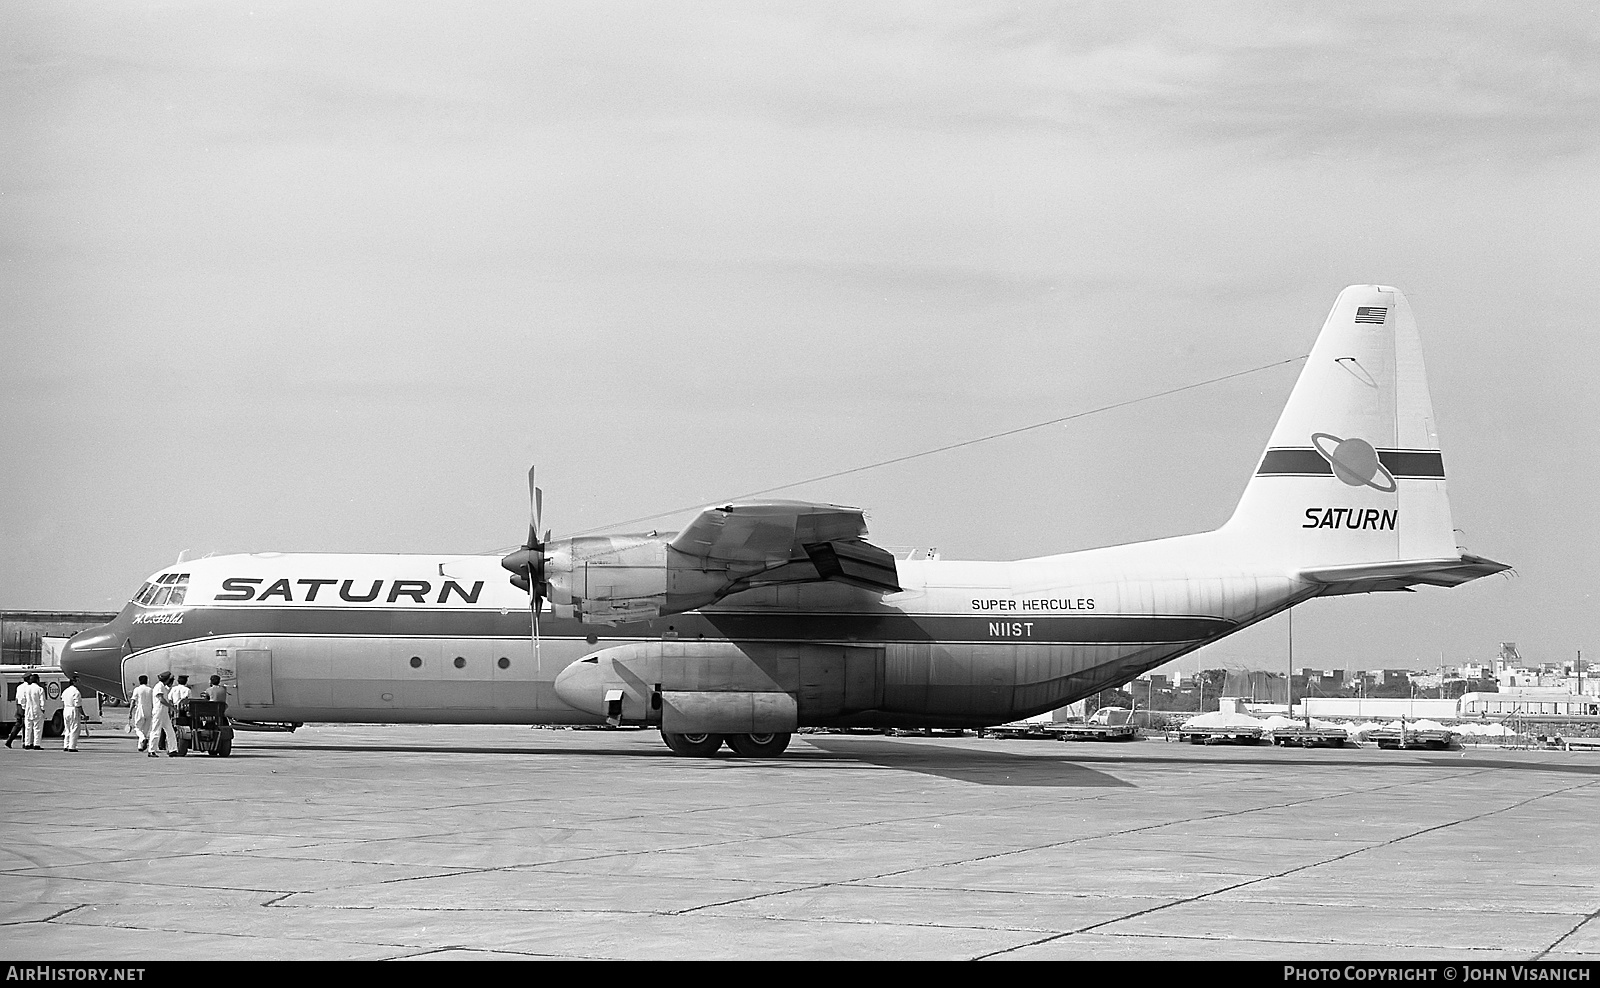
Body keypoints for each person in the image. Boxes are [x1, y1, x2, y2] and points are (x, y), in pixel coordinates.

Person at [19, 673, 46, 750]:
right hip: (37, 709)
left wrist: (24, 707)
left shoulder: (26, 689)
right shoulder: (40, 689)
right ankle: (36, 744)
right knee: (37, 728)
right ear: (37, 680)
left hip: (28, 710)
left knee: (28, 727)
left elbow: (22, 700)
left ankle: (27, 743)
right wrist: (43, 709)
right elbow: (42, 701)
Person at [128, 675, 155, 752]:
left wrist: (130, 712)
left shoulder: (137, 689)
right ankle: (140, 746)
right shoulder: (151, 690)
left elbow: (133, 701)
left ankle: (143, 739)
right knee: (146, 729)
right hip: (149, 711)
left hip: (140, 710)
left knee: (137, 728)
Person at [151, 673, 174, 757]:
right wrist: (171, 707)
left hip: (163, 711)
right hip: (159, 711)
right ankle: (152, 750)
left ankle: (173, 749)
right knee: (156, 730)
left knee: (170, 730)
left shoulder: (163, 687)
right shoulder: (159, 686)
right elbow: (161, 699)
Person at [60, 675, 84, 752]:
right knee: (74, 728)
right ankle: (72, 746)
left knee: (67, 728)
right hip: (73, 709)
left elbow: (62, 700)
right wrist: (83, 714)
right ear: (74, 682)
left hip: (66, 709)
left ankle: (66, 745)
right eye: (78, 681)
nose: (79, 683)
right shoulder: (76, 692)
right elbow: (78, 705)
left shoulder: (66, 691)